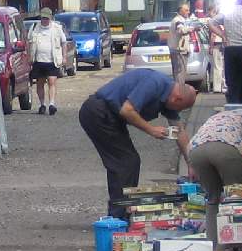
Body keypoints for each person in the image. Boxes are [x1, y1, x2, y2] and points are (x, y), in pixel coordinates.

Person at [78, 68, 196, 220]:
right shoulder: (154, 83)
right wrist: (151, 129)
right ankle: (118, 216)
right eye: (180, 108)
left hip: (110, 117)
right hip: (98, 113)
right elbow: (127, 110)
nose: (177, 112)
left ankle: (123, 210)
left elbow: (179, 131)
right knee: (126, 162)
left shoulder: (169, 96)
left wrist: (191, 163)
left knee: (127, 162)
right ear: (177, 99)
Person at [187, 108, 242, 247]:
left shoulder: (213, 118)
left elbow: (191, 144)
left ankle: (215, 250)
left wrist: (192, 166)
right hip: (227, 148)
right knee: (239, 199)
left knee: (212, 199)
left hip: (196, 152)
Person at [26, 7, 68, 115]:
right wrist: (29, 57)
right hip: (38, 60)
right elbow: (29, 43)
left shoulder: (57, 28)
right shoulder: (35, 28)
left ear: (50, 18)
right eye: (43, 18)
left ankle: (52, 104)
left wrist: (64, 57)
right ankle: (42, 104)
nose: (45, 20)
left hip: (52, 60)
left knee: (52, 81)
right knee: (40, 83)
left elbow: (64, 43)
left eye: (47, 18)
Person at [170, 2, 196, 84]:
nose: (188, 12)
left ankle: (180, 90)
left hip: (181, 50)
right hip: (179, 51)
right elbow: (181, 30)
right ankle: (180, 92)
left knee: (182, 73)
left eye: (188, 10)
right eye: (186, 10)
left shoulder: (182, 20)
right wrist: (192, 28)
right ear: (181, 11)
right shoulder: (178, 20)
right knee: (179, 73)